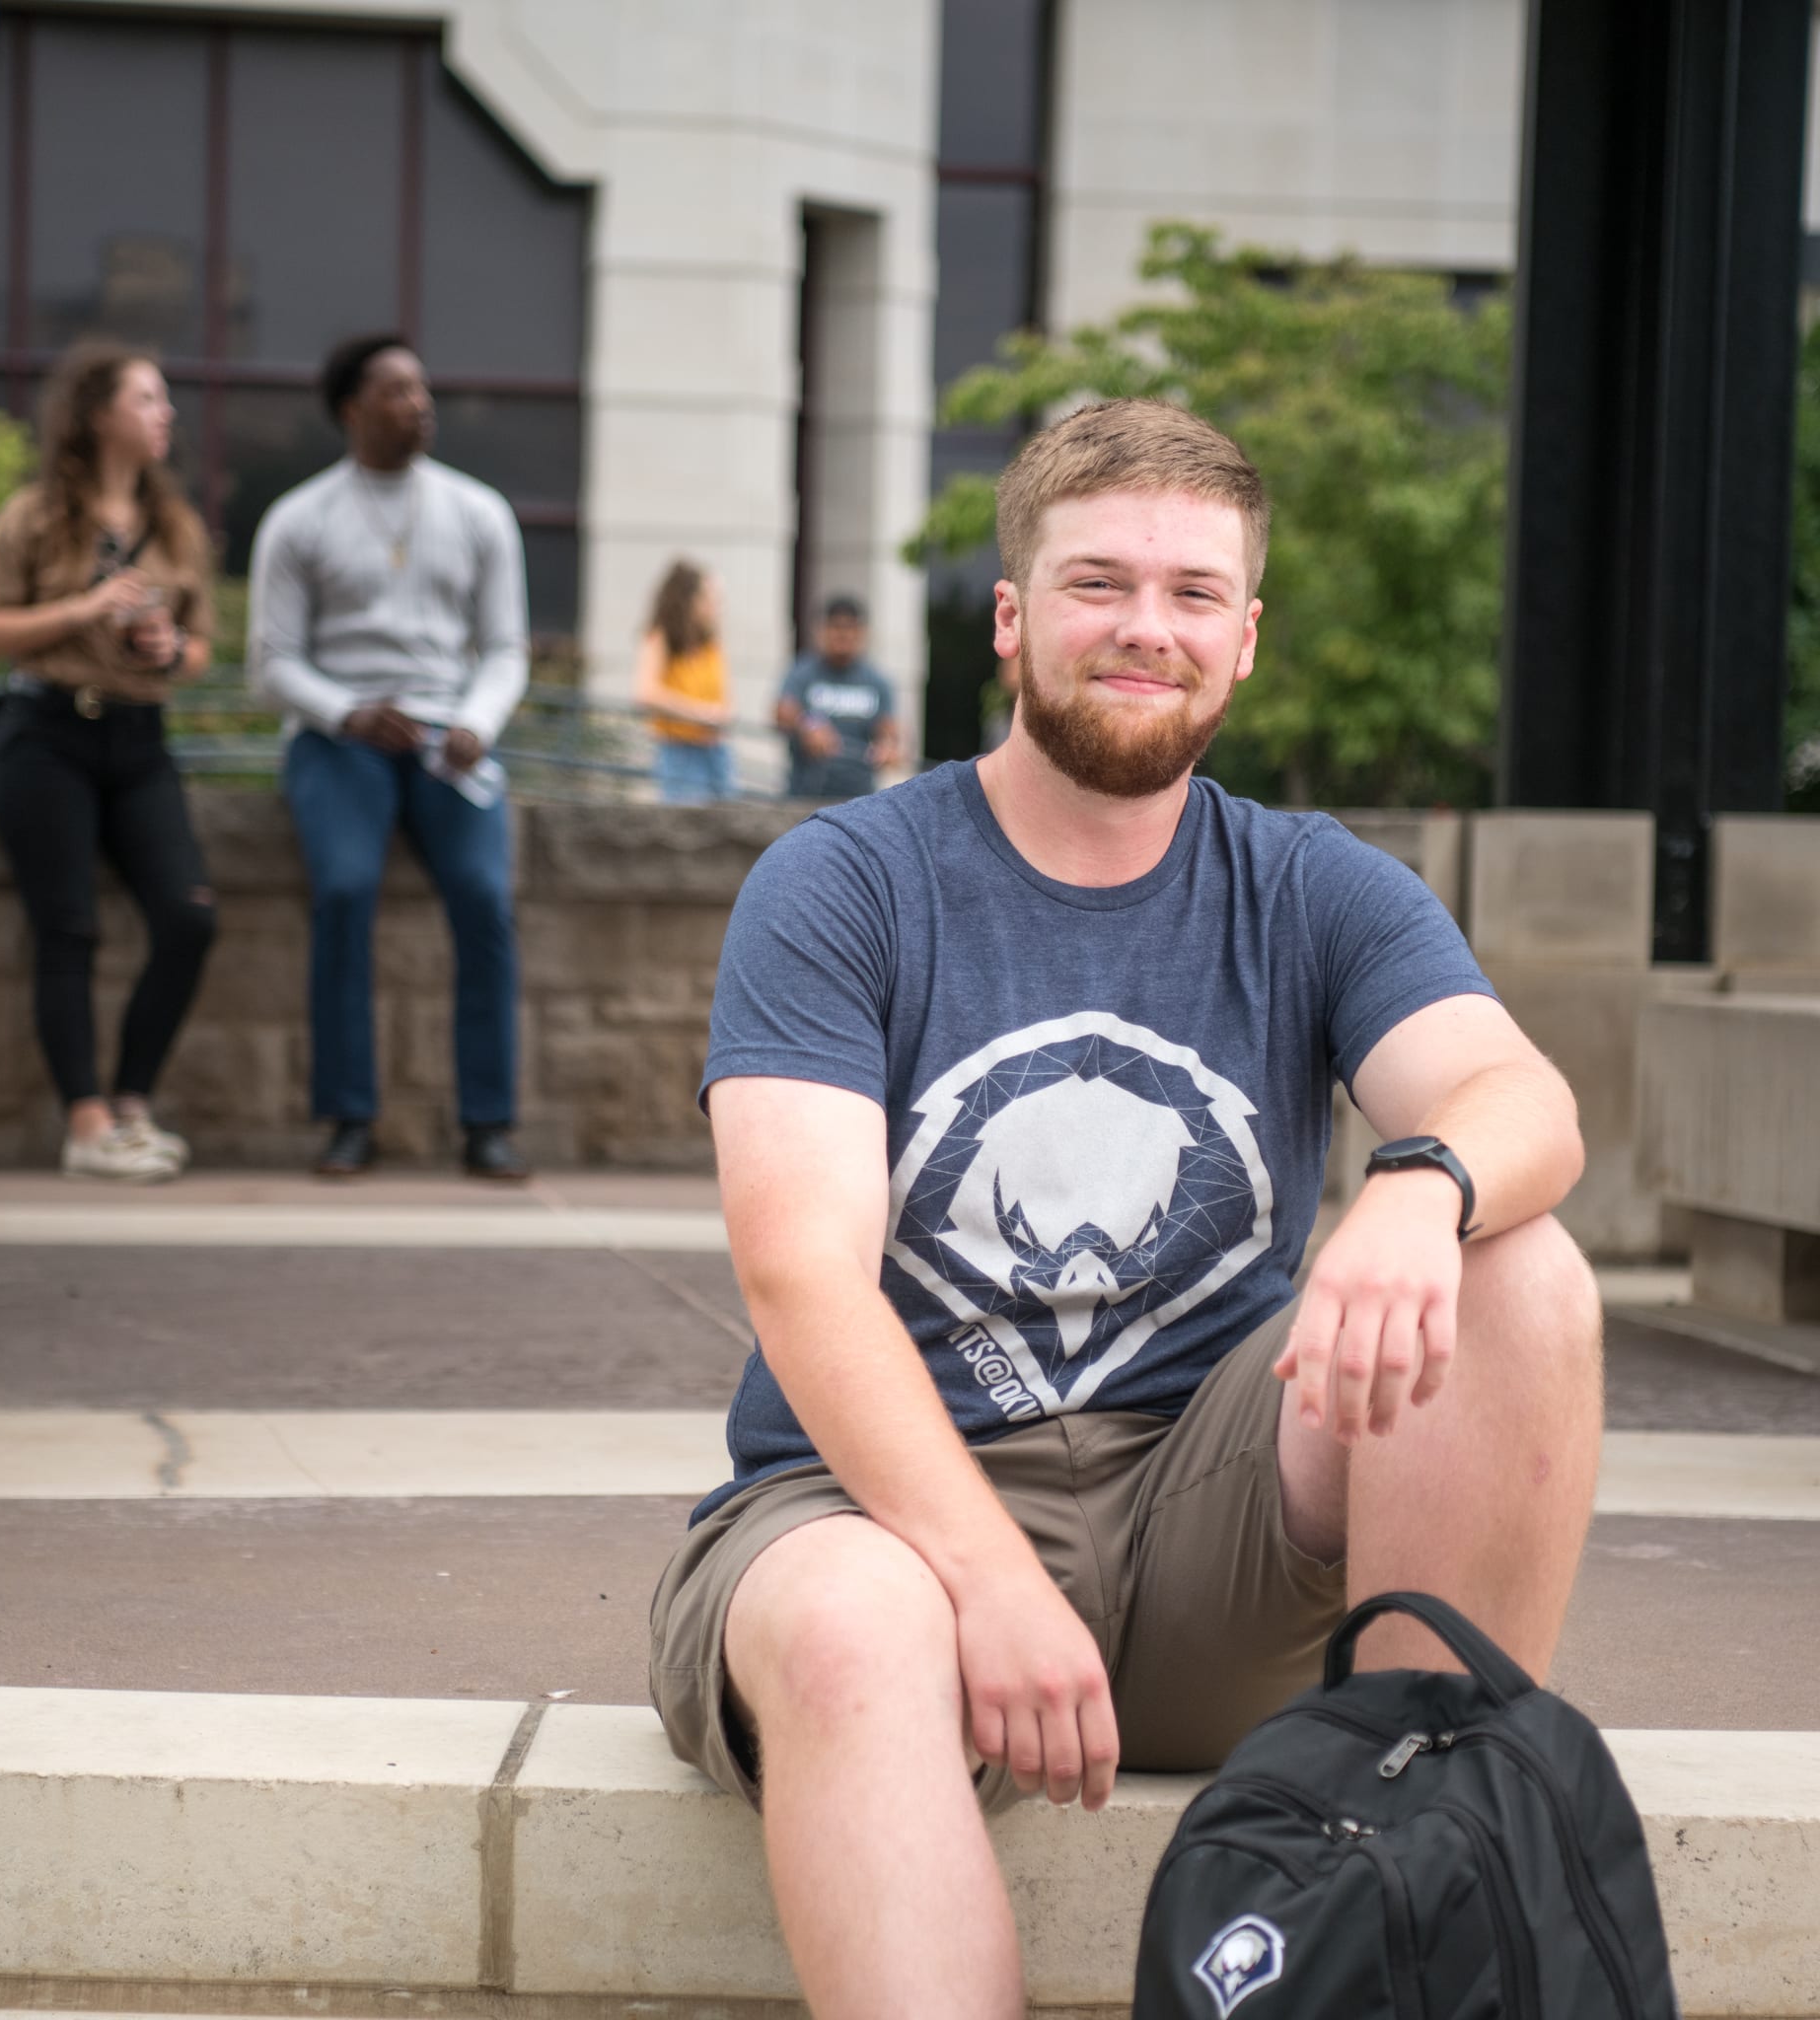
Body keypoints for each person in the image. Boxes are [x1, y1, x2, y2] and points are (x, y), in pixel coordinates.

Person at [649, 398, 1603, 2019]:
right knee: (849, 1625)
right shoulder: (846, 879)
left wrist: (1415, 1187)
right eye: (1097, 583)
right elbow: (803, 1274)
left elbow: (1522, 1099)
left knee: (1518, 1269)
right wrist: (990, 1582)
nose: (1144, 627)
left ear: (1243, 640)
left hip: (1209, 1520)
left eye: (1191, 593)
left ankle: (1411, 1867)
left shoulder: (1312, 883)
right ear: (1012, 620)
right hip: (875, 1514)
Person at [249, 333, 530, 1182]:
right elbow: (269, 663)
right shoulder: (300, 519)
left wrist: (479, 719)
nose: (420, 404)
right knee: (342, 890)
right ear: (352, 409)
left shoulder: (478, 512)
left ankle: (487, 1123)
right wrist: (346, 711)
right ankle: (348, 1117)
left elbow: (506, 648)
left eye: (422, 388)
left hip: (450, 741)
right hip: (342, 742)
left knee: (484, 898)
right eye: (399, 391)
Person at [0, 339, 218, 1183]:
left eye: (165, 398)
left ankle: (132, 1105)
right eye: (146, 398)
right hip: (46, 734)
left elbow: (202, 651)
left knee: (189, 917)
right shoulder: (34, 516)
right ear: (97, 414)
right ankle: (86, 1124)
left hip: (139, 738)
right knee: (68, 926)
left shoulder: (177, 527)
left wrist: (167, 645)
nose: (164, 413)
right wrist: (85, 609)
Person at [774, 594, 901, 799]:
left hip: (858, 800)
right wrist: (808, 724)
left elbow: (888, 729)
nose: (843, 635)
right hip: (805, 796)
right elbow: (782, 711)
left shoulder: (877, 681)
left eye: (850, 628)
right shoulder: (803, 672)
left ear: (862, 633)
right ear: (821, 631)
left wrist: (888, 746)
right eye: (836, 627)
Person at [633, 560, 733, 802]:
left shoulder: (709, 645)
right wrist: (700, 713)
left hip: (715, 750)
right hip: (680, 751)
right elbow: (645, 693)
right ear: (690, 601)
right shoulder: (661, 638)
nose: (715, 608)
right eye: (709, 599)